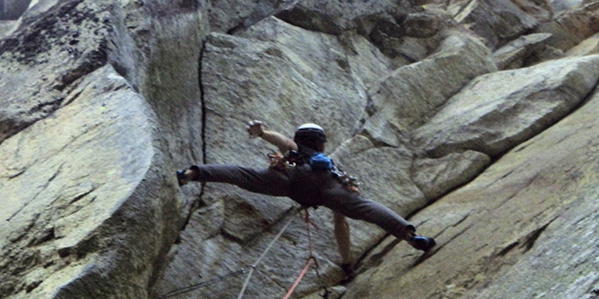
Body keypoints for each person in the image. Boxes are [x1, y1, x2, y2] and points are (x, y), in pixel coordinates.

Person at [177, 121, 436, 281]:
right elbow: (341, 226)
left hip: (289, 181)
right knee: (365, 208)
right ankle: (411, 237)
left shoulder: (299, 151)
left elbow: (286, 143)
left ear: (301, 140)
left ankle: (191, 174)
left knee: (242, 175)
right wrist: (347, 263)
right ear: (321, 143)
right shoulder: (329, 166)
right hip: (325, 189)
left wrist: (263, 132)